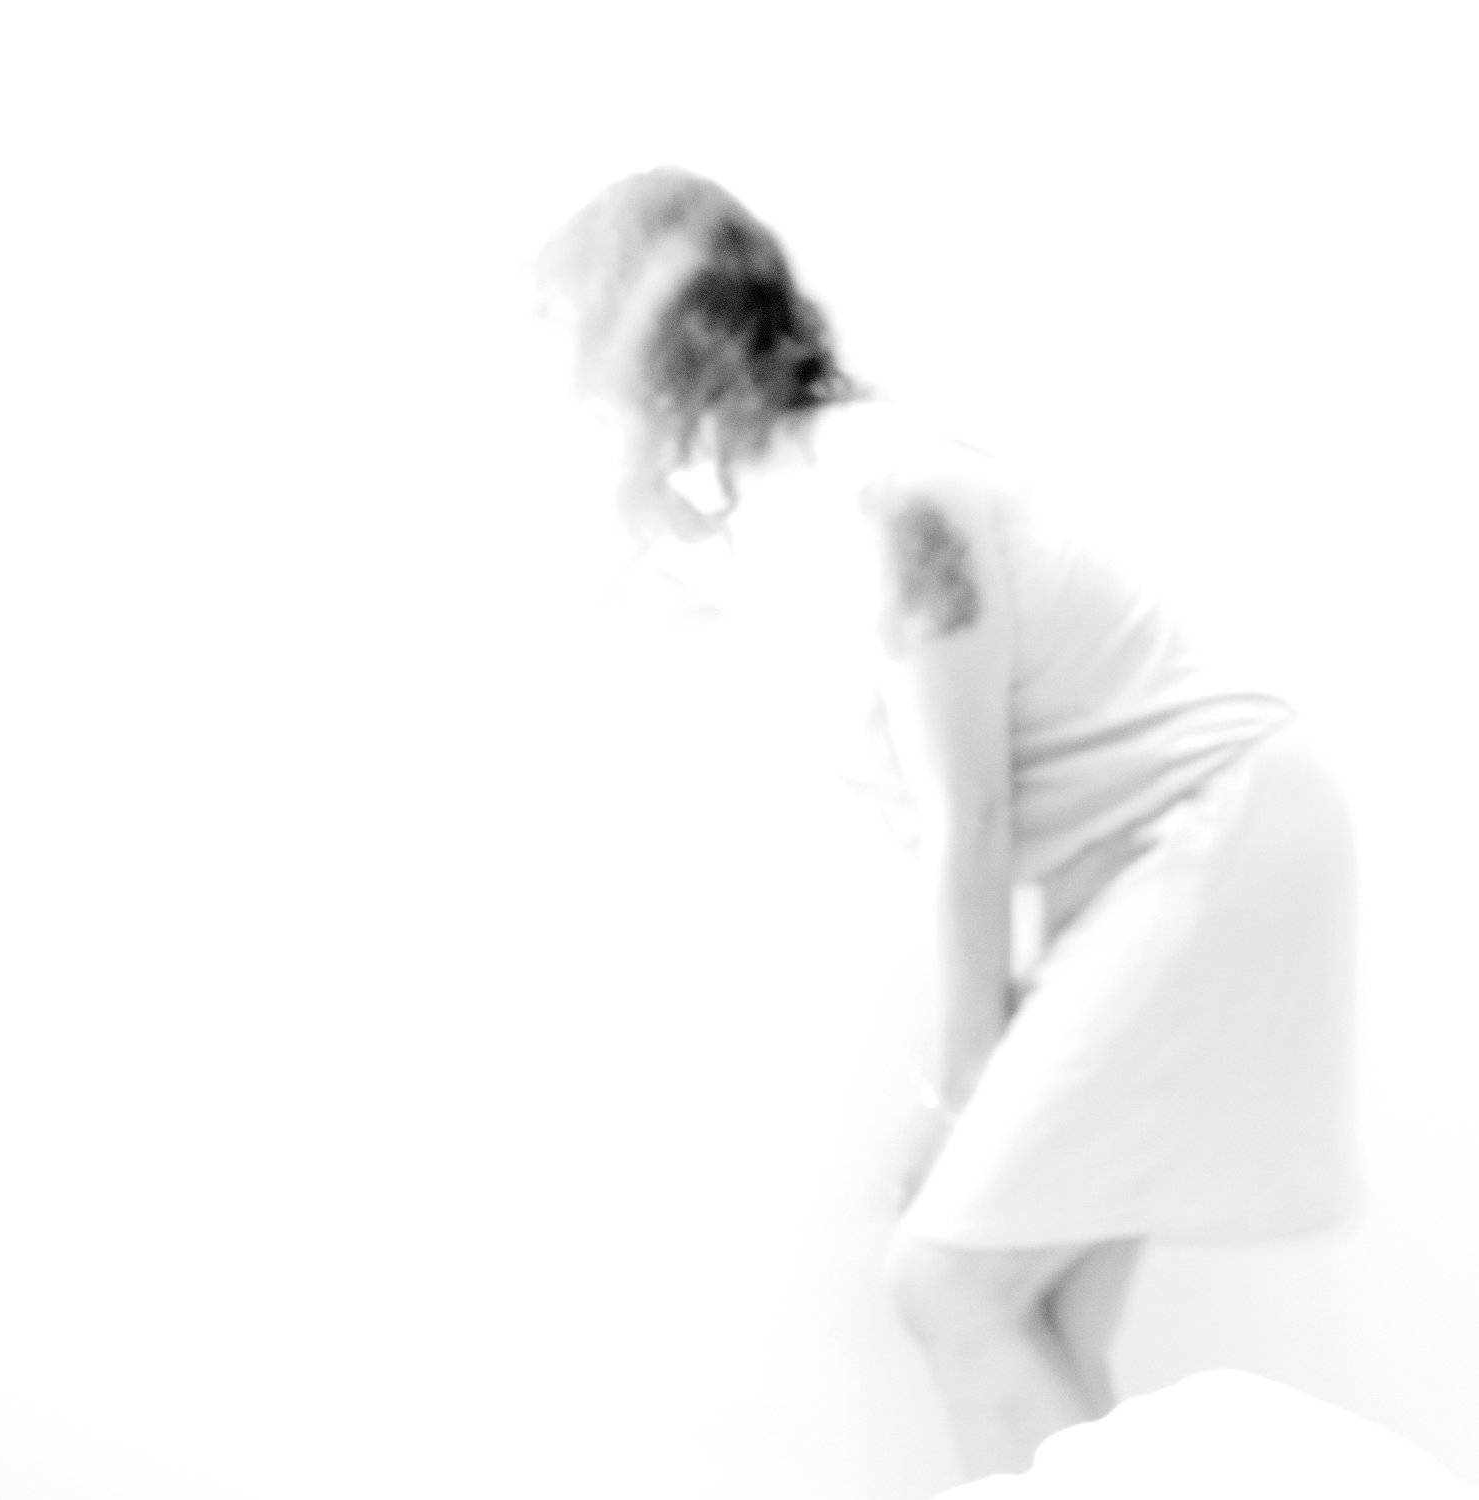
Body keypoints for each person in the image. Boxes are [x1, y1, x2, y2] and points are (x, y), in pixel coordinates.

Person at [529, 165, 1360, 1480]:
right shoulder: (778, 515)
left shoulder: (893, 497)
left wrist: (961, 1089)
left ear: (674, 342)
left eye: (588, 352)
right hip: (1128, 872)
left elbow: (970, 813)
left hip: (1215, 836)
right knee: (1033, 1312)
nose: (583, 395)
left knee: (952, 1284)